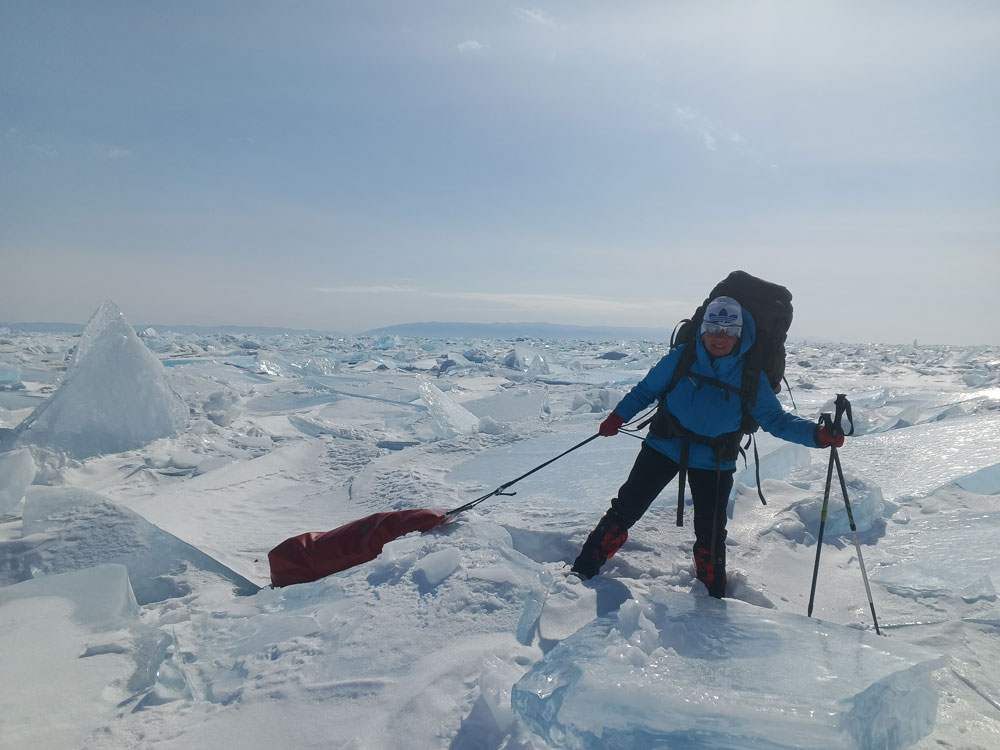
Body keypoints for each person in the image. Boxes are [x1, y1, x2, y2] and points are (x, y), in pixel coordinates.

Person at [570, 295, 845, 597]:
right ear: (702, 329)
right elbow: (646, 390)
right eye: (714, 328)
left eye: (729, 331)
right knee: (626, 508)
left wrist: (816, 436)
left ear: (740, 334)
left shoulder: (749, 375)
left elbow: (774, 420)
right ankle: (583, 568)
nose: (720, 337)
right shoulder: (682, 357)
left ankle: (713, 596)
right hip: (664, 444)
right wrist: (617, 416)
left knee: (711, 533)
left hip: (715, 460)